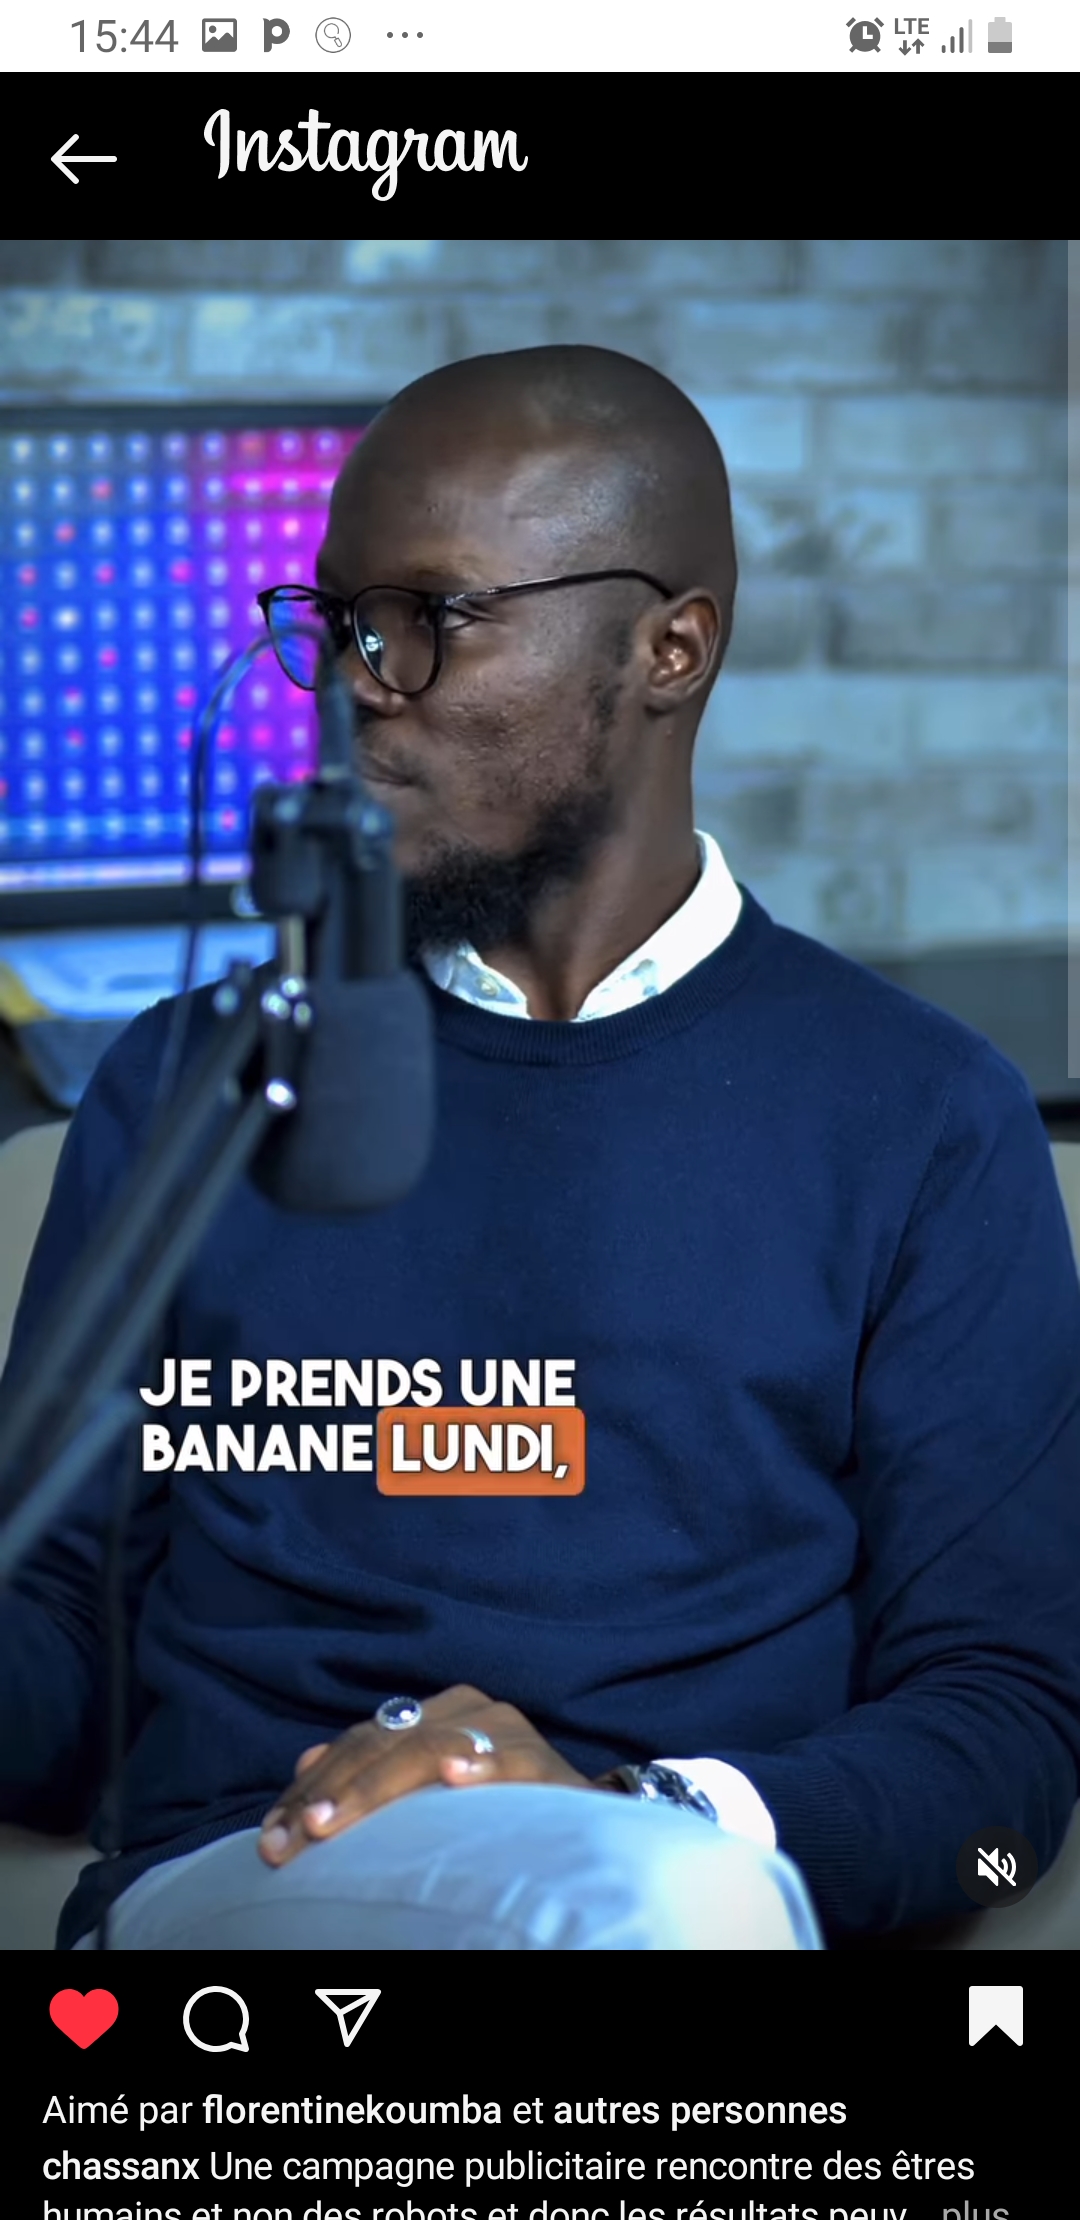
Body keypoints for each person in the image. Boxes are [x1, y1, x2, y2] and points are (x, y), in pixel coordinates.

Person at [1, 344, 1078, 1952]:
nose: (361, 679)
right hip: (250, 1887)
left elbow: (1004, 1750)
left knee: (661, 1902)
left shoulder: (924, 1119)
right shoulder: (195, 1080)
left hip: (690, 1894)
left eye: (431, 616)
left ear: (669, 649)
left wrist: (638, 1814)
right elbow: (57, 1664)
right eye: (340, 621)